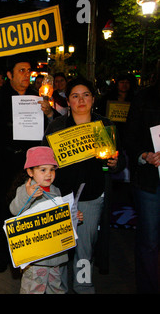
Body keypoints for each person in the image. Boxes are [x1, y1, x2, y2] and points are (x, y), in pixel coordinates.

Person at [42, 77, 125, 293]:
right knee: (59, 251)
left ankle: (83, 287)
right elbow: (43, 161)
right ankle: (58, 289)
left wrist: (115, 163)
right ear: (68, 101)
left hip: (91, 197)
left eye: (86, 95)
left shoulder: (104, 125)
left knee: (85, 252)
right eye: (75, 96)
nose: (81, 100)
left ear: (93, 99)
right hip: (61, 197)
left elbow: (119, 159)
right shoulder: (56, 126)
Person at [0, 53, 58, 273]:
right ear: (10, 75)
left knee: (29, 209)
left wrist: (49, 112)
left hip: (31, 164)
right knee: (6, 209)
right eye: (21, 70)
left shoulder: (38, 97)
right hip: (5, 162)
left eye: (29, 71)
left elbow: (57, 124)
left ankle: (25, 256)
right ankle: (3, 254)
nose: (27, 75)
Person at [9, 146, 83, 294]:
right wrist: (28, 195)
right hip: (36, 259)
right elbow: (14, 209)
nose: (48, 174)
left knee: (56, 288)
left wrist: (73, 217)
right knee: (33, 289)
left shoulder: (56, 190)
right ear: (30, 172)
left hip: (55, 256)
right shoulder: (26, 190)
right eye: (43, 170)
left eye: (52, 169)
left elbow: (59, 219)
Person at [125, 62, 160, 294]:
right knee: (149, 241)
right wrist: (144, 155)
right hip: (151, 183)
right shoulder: (145, 98)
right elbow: (130, 136)